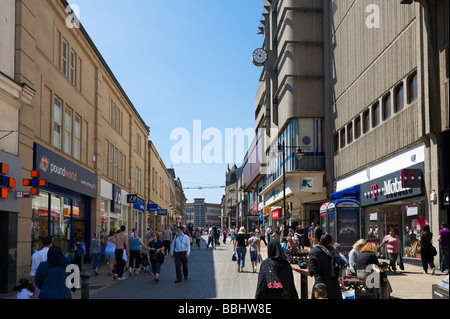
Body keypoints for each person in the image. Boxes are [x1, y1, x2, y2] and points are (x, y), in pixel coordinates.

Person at [292, 227, 342, 299]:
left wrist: (294, 269)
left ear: (314, 237)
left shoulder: (315, 251)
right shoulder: (332, 249)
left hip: (321, 289)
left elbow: (311, 272)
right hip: (334, 287)